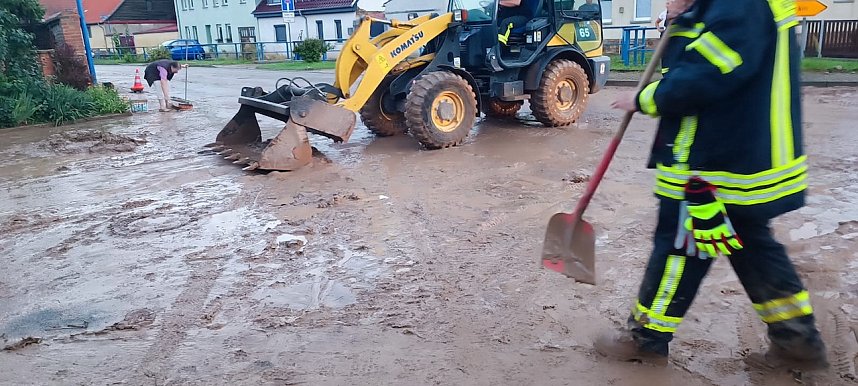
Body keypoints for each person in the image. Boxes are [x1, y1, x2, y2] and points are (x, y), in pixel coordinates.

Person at [594, 0, 830, 371]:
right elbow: (694, 59)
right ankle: (796, 340)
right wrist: (679, 19)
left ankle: (646, 337)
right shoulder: (728, 6)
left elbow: (706, 74)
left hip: (714, 164)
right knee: (753, 250)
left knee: (680, 248)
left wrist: (645, 97)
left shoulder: (738, 4)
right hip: (742, 160)